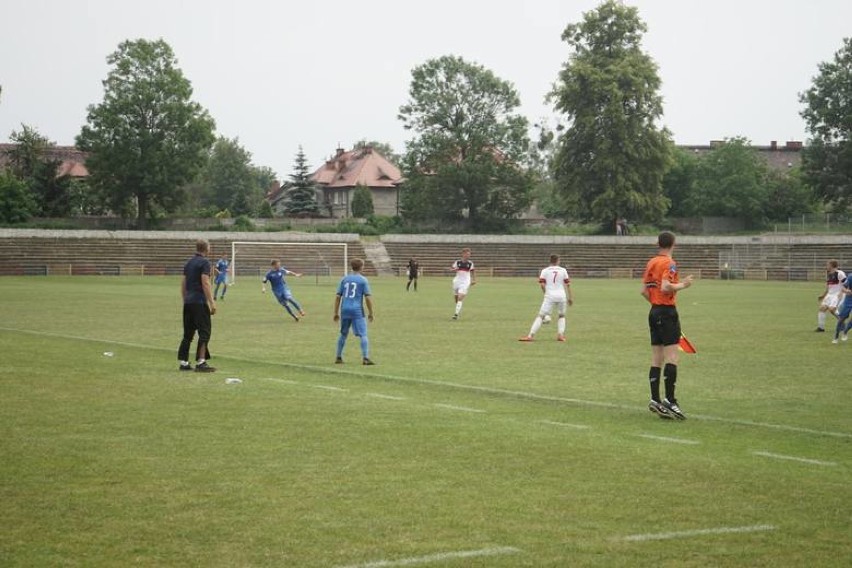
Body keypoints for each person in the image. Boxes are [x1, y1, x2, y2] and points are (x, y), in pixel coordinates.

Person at [641, 231, 694, 420]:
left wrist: (656, 307)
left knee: (656, 358)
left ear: (658, 243)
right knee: (672, 356)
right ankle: (670, 401)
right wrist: (683, 285)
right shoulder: (669, 263)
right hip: (667, 312)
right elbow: (665, 286)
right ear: (673, 244)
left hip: (654, 311)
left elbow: (644, 291)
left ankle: (655, 399)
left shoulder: (651, 262)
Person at [178, 239, 217, 372]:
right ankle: (201, 362)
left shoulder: (188, 263)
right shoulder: (205, 262)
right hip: (199, 302)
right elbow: (205, 282)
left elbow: (183, 283)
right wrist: (212, 302)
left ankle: (184, 362)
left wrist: (185, 300)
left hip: (188, 302)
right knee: (204, 331)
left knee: (188, 334)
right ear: (207, 248)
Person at [519, 254, 574, 342]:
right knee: (561, 315)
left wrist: (546, 293)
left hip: (550, 296)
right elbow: (568, 284)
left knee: (540, 316)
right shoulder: (563, 270)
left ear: (550, 261)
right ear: (558, 261)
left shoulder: (545, 271)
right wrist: (570, 297)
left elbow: (542, 284)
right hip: (561, 296)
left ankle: (530, 336)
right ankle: (560, 335)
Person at [334, 258, 375, 365]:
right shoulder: (363, 280)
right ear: (361, 267)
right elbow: (367, 298)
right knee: (363, 334)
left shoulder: (344, 279)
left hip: (344, 310)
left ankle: (338, 357)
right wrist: (371, 312)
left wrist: (335, 313)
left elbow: (338, 297)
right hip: (357, 310)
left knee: (343, 334)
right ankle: (365, 358)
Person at [816, 260, 847, 332]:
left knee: (832, 309)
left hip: (837, 294)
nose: (826, 266)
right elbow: (829, 286)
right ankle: (821, 328)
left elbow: (846, 284)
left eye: (828, 265)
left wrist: (842, 293)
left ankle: (842, 323)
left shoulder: (840, 273)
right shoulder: (828, 274)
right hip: (830, 295)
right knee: (822, 308)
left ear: (832, 266)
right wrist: (823, 295)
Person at [450, 248, 476, 320]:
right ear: (463, 254)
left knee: (460, 297)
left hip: (465, 282)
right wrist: (454, 269)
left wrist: (474, 280)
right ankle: (457, 310)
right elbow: (451, 269)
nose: (468, 255)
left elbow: (473, 271)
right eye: (467, 254)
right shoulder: (457, 262)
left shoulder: (470, 263)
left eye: (469, 254)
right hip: (456, 281)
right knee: (456, 299)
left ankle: (456, 314)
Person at [831, 274, 852, 344]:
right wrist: (847, 291)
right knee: (842, 318)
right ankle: (836, 336)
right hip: (849, 300)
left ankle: (845, 331)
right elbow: (843, 287)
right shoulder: (851, 277)